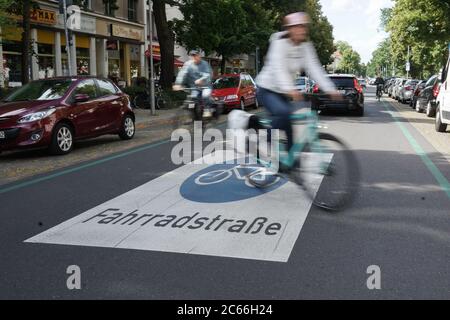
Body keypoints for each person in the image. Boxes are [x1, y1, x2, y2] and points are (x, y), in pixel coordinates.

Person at [254, 12, 341, 170]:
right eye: (298, 27)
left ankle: (290, 161)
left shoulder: (305, 47)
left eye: (304, 27)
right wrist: (290, 89)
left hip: (283, 92)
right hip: (266, 88)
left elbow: (315, 69)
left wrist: (330, 89)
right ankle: (262, 139)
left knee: (289, 125)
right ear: (290, 29)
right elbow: (278, 67)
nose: (302, 30)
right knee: (284, 113)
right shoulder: (279, 42)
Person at [173, 50, 214, 118]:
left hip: (205, 86)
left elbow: (208, 74)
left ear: (199, 56)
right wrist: (178, 83)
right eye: (192, 56)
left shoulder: (204, 64)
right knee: (193, 99)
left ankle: (207, 109)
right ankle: (195, 118)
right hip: (195, 87)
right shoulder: (188, 64)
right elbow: (182, 74)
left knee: (205, 95)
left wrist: (202, 79)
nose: (193, 57)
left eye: (195, 55)